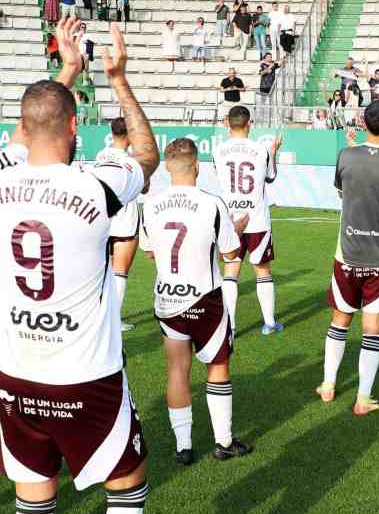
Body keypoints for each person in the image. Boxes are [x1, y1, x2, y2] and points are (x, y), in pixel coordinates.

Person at [0, 17, 158, 514]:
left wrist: (66, 69)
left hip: (17, 373)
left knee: (33, 508)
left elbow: (39, 119)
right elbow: (146, 156)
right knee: (127, 489)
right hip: (86, 376)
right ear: (77, 127)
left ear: (22, 130)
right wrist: (117, 78)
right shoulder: (97, 182)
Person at [140, 137, 253, 464]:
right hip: (206, 299)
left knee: (177, 370)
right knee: (217, 367)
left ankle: (183, 447)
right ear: (198, 167)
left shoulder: (150, 206)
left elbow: (150, 251)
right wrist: (238, 228)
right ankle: (224, 441)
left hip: (168, 299)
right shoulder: (212, 203)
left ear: (166, 167)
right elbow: (231, 252)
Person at [319, 100, 379, 416]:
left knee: (340, 319)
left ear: (362, 122)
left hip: (348, 251)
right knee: (372, 326)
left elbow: (343, 192)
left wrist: (356, 153)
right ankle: (363, 398)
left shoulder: (346, 155)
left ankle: (328, 385)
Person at [213, 106, 284, 336]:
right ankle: (269, 323)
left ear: (227, 123)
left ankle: (231, 327)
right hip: (256, 219)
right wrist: (274, 151)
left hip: (230, 219)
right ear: (249, 124)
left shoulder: (218, 151)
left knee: (230, 270)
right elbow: (271, 177)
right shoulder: (260, 150)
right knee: (262, 269)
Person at [98, 118, 149, 334]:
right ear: (129, 136)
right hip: (125, 220)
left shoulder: (101, 155)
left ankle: (99, 318)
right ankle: (113, 321)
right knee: (120, 273)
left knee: (102, 273)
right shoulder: (133, 161)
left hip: (102, 220)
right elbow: (145, 189)